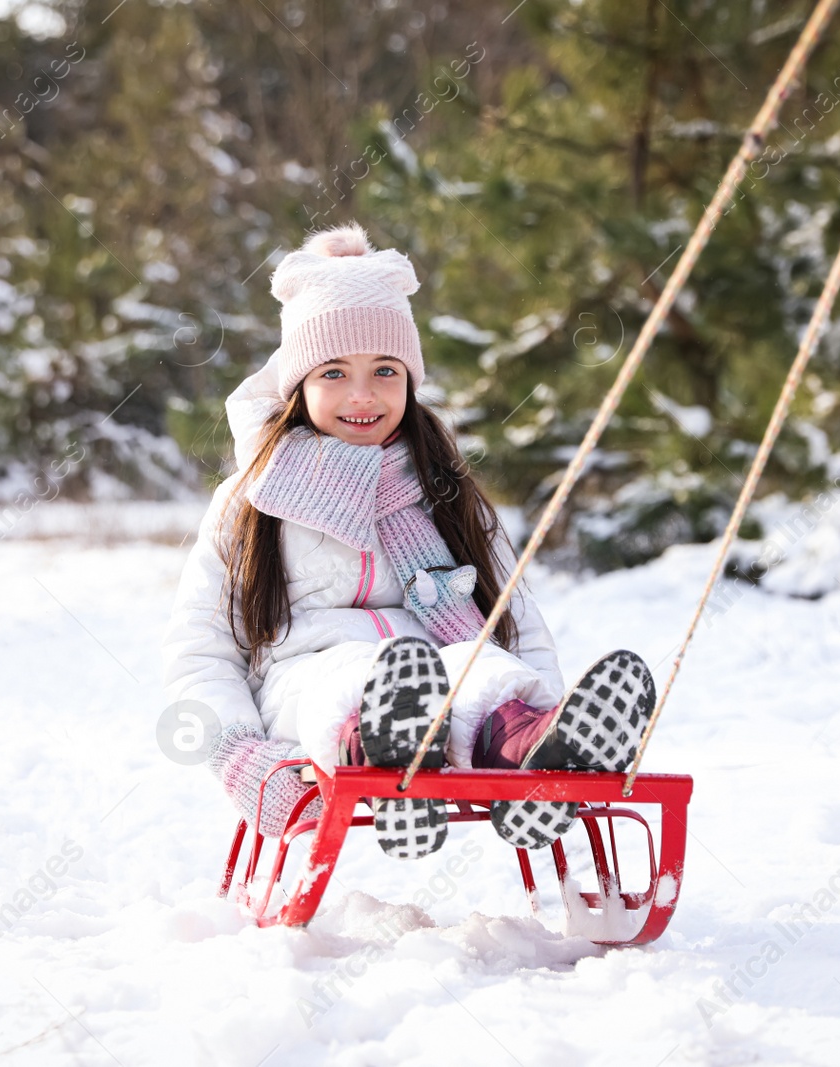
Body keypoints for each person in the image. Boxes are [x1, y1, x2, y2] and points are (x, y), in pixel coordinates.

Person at [161, 222, 657, 861]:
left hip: (438, 668)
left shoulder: (444, 493)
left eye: (385, 371)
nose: (362, 395)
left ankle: (535, 752)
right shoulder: (255, 499)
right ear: (298, 384)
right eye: (334, 372)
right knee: (349, 676)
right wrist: (237, 755)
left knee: (480, 670)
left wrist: (541, 693)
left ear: (410, 381)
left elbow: (516, 622)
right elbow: (199, 649)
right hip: (303, 686)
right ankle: (383, 743)